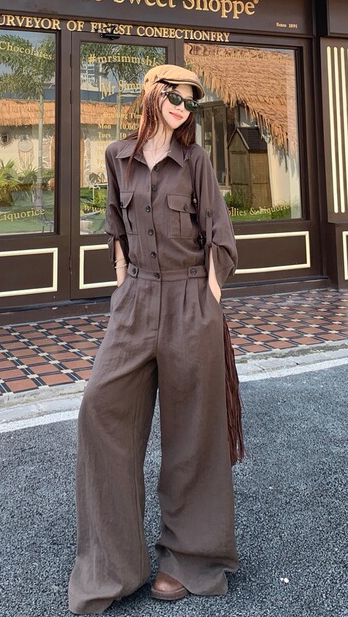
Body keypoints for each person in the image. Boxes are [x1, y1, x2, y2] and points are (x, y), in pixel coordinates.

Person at [68, 64, 241, 615]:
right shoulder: (117, 156)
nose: (184, 108)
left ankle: (190, 558)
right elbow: (115, 228)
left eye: (191, 102)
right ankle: (113, 564)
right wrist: (123, 284)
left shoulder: (195, 160)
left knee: (192, 432)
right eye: (176, 97)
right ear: (153, 94)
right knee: (101, 408)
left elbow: (219, 234)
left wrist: (209, 299)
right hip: (136, 301)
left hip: (190, 300)